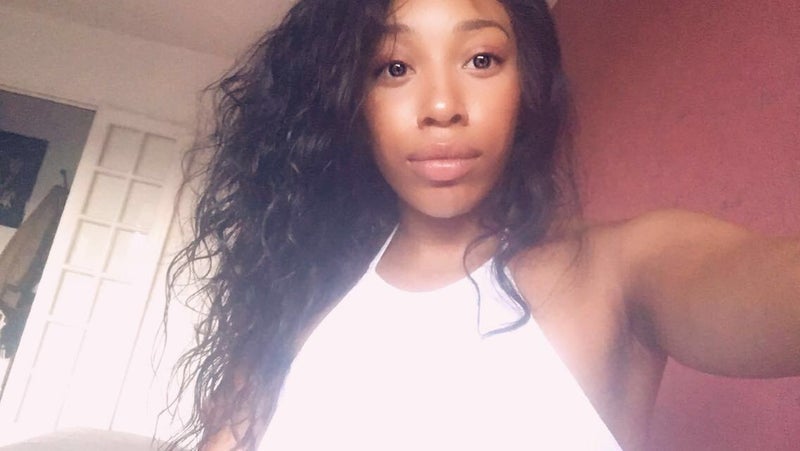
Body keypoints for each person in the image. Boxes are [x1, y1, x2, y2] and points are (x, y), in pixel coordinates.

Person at [165, 0, 800, 449]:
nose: (442, 106)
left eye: (481, 59)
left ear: (527, 85)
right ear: (351, 102)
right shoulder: (295, 317)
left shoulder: (617, 273)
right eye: (394, 67)